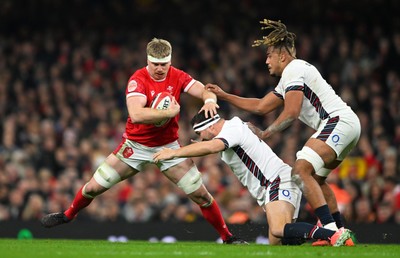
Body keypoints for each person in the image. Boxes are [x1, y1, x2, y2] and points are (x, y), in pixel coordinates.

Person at [40, 38, 246, 244]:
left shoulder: (177, 75)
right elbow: (137, 114)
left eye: (163, 64)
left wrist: (209, 100)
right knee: (93, 188)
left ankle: (228, 237)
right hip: (135, 146)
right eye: (155, 64)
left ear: (170, 61)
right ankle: (68, 215)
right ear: (148, 61)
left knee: (201, 194)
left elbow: (204, 89)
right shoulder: (137, 80)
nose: (159, 68)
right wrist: (168, 112)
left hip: (168, 148)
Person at [206, 19, 361, 245]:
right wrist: (225, 95)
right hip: (346, 126)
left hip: (338, 122)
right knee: (316, 179)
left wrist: (266, 133)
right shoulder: (290, 76)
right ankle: (341, 230)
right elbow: (261, 105)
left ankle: (330, 232)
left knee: (299, 170)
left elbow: (291, 112)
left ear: (282, 56)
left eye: (269, 55)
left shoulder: (294, 69)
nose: (266, 61)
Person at [153, 111, 354, 246]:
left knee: (277, 230)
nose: (201, 138)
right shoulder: (233, 126)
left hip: (275, 181)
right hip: (274, 182)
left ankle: (333, 234)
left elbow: (212, 146)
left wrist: (174, 153)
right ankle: (323, 235)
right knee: (280, 242)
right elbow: (215, 144)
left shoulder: (229, 131)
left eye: (200, 133)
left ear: (210, 127)